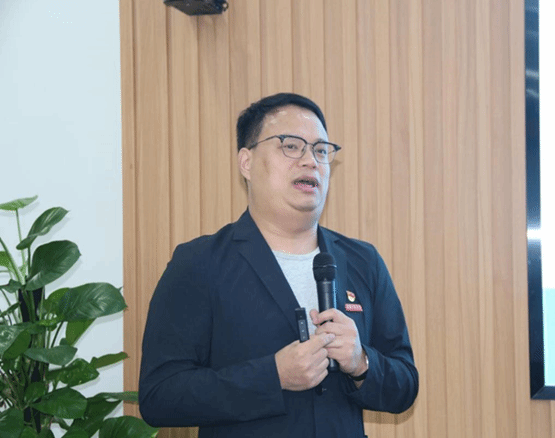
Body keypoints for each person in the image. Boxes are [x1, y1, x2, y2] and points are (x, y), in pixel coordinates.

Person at [138, 93, 418, 438]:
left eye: (321, 150)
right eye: (291, 146)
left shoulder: (363, 260)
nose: (310, 161)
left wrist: (361, 362)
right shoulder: (200, 263)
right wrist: (272, 377)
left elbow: (405, 386)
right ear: (246, 162)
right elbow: (160, 396)